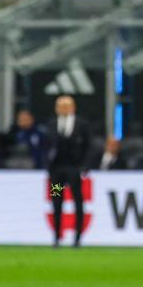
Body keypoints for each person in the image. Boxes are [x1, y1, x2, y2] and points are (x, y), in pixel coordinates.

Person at [47, 95, 91, 247]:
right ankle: (56, 237)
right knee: (56, 202)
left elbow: (88, 146)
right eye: (61, 106)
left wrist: (84, 166)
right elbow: (47, 146)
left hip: (74, 170)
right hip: (57, 171)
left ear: (73, 107)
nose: (64, 109)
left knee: (78, 202)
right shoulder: (52, 124)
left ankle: (77, 238)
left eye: (67, 105)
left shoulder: (82, 124)